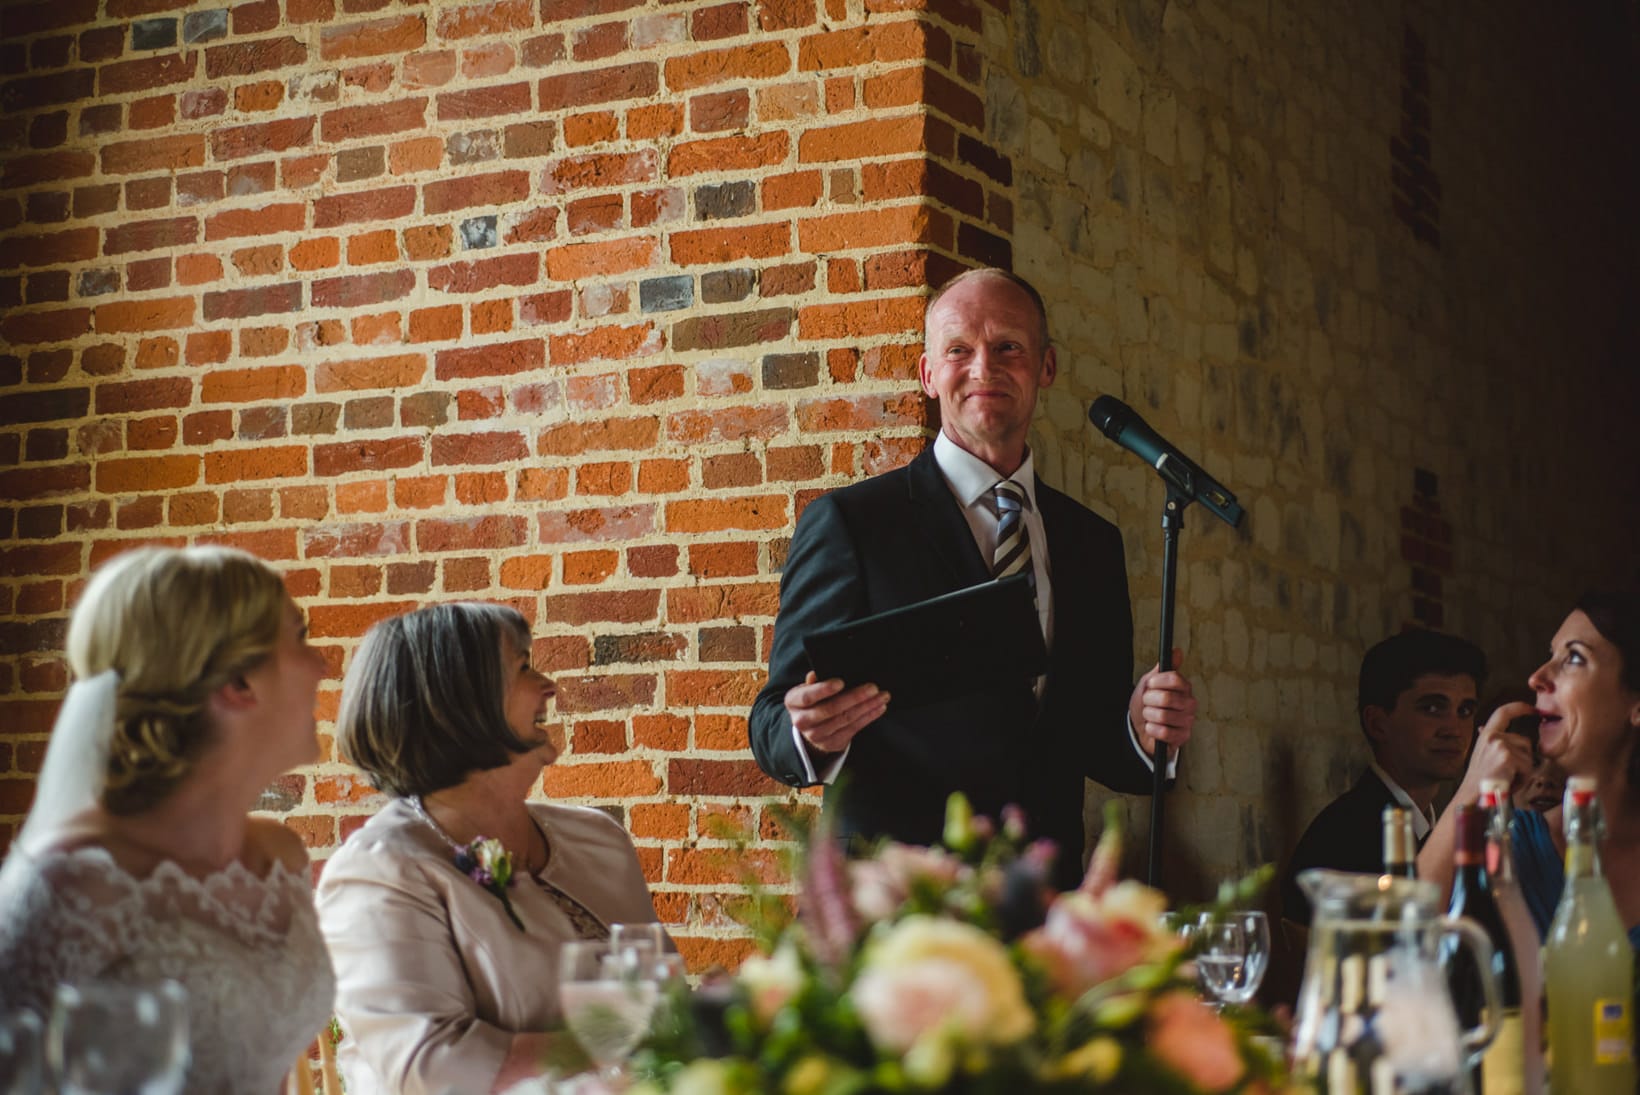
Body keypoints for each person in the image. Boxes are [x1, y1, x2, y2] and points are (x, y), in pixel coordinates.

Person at [747, 267, 1197, 891]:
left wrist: (1142, 730)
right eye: (959, 349)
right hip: (897, 910)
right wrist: (805, 729)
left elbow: (1092, 737)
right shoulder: (853, 524)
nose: (984, 367)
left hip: (1045, 910)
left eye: (1008, 346)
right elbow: (772, 723)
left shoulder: (1093, 543)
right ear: (929, 375)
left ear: (1046, 367)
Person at [0, 546, 334, 1094]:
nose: (321, 664)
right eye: (298, 637)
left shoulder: (279, 859)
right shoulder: (72, 885)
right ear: (238, 682)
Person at [316, 602, 667, 1095]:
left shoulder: (599, 838)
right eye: (523, 668)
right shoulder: (378, 871)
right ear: (457, 704)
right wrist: (617, 1048)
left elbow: (664, 1001)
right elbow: (431, 1064)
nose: (549, 686)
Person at [1419, 591, 1640, 946]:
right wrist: (1471, 788)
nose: (1537, 677)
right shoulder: (1511, 846)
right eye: (1549, 656)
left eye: (1574, 658)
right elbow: (1401, 944)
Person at [1278, 629, 1486, 925]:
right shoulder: (1344, 836)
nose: (1453, 729)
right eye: (1432, 708)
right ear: (1377, 724)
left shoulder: (1432, 827)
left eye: (1465, 710)